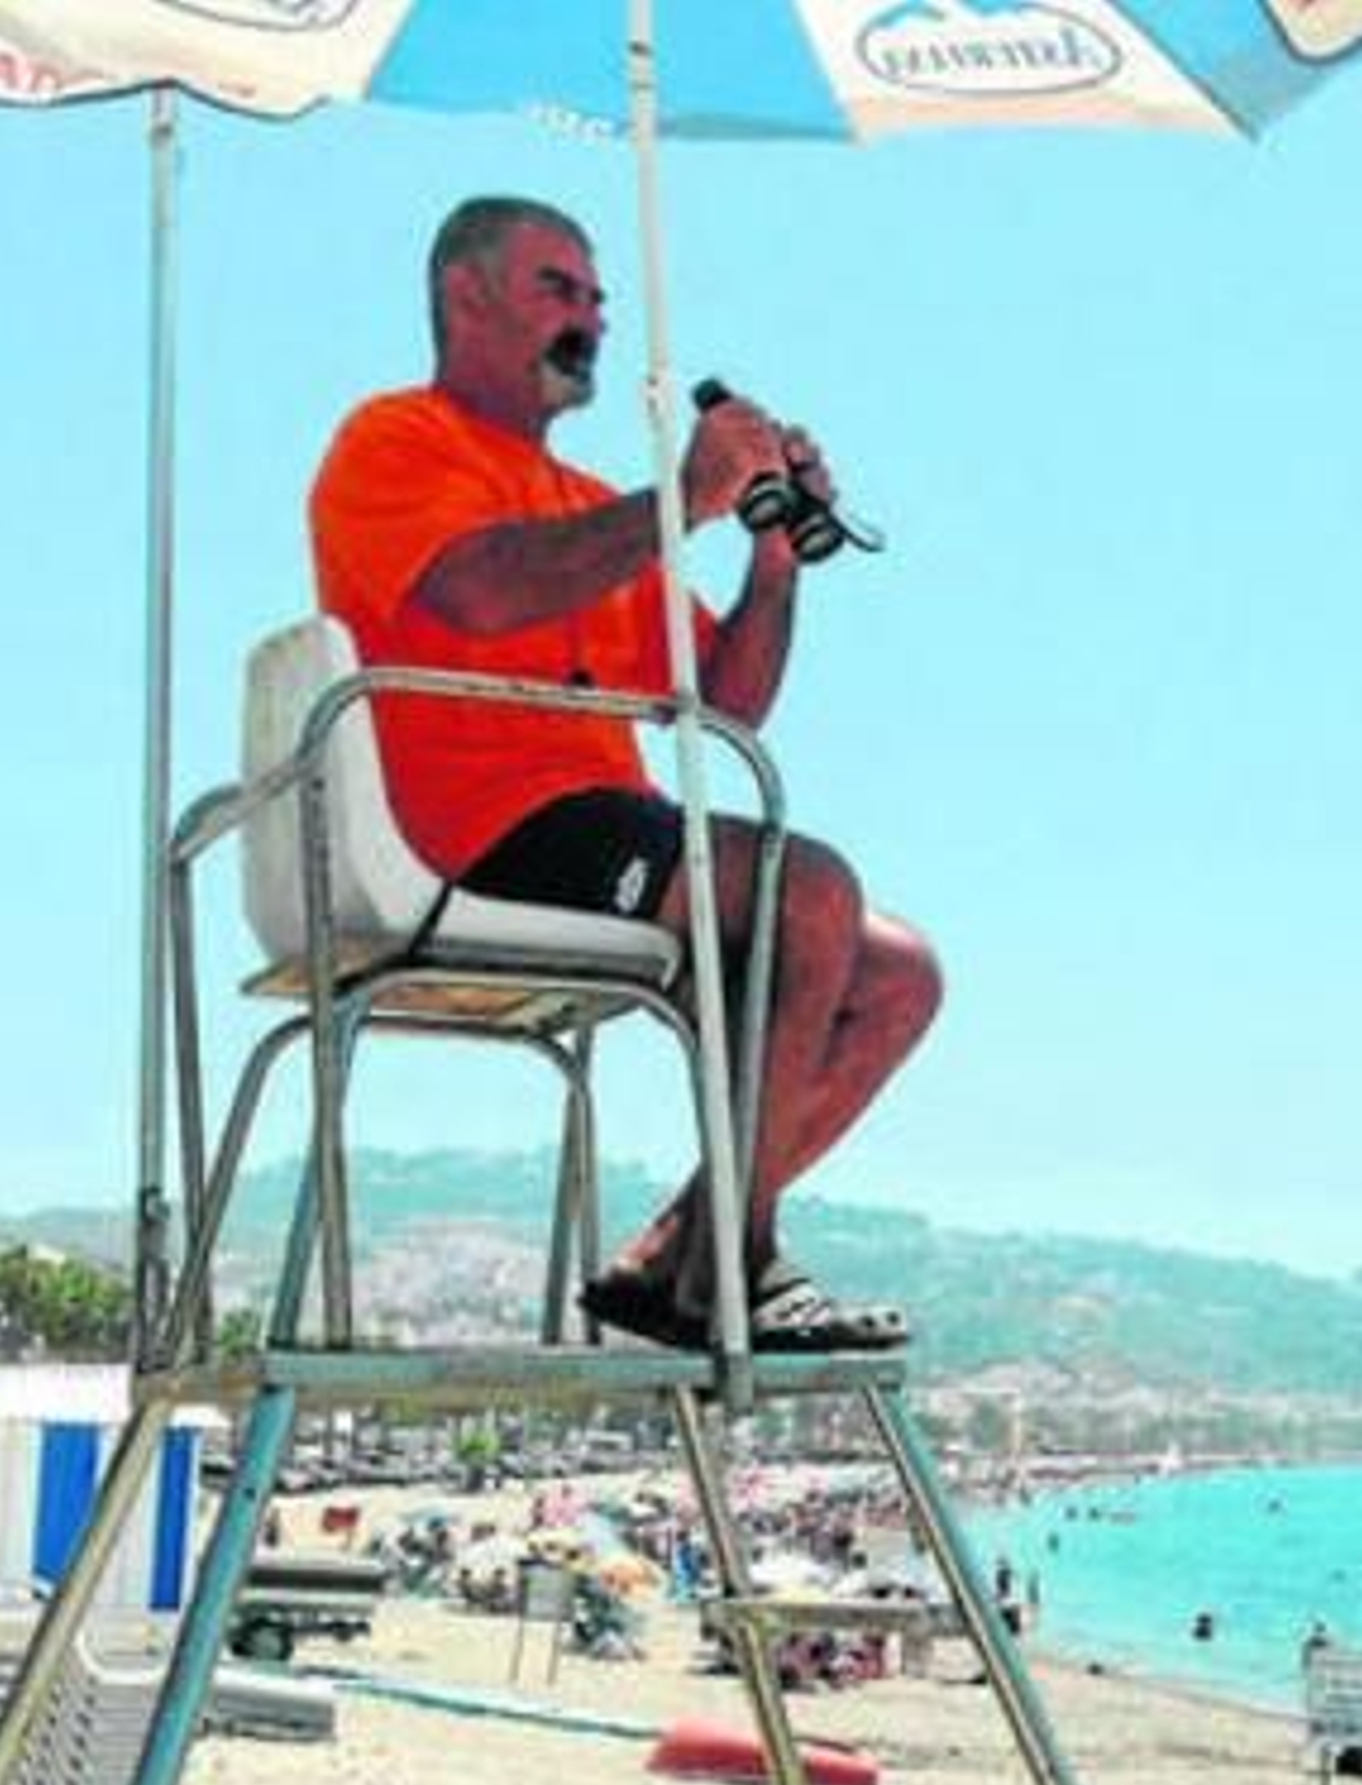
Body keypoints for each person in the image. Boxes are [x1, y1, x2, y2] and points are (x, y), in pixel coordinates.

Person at [309, 196, 941, 1354]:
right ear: (465, 294)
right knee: (810, 892)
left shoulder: (593, 510)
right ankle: (733, 1268)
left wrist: (770, 553)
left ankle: (679, 1253)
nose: (591, 319)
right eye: (560, 289)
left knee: (898, 974)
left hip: (607, 827)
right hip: (476, 834)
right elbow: (478, 592)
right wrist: (680, 504)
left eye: (598, 298)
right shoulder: (394, 439)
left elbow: (728, 698)